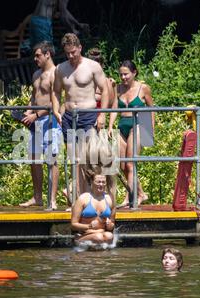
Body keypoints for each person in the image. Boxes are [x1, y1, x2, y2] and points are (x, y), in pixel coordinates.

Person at [52, 33, 109, 198]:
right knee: (73, 159)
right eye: (67, 53)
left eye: (73, 52)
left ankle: (86, 197)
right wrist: (56, 110)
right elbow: (56, 91)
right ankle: (78, 198)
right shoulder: (61, 68)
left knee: (85, 159)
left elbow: (105, 90)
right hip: (69, 116)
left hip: (88, 115)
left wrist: (102, 115)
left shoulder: (92, 66)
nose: (71, 56)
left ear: (80, 48)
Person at [19, 41, 62, 210]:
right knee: (34, 159)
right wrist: (27, 113)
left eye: (38, 55)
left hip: (50, 120)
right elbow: (33, 97)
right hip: (35, 120)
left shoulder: (55, 73)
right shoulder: (36, 74)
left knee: (52, 160)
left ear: (47, 54)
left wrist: (36, 115)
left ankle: (52, 199)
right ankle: (37, 197)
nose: (35, 58)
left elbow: (55, 102)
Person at [108, 60, 154, 208]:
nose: (123, 77)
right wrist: (110, 126)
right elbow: (115, 107)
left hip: (138, 124)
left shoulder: (143, 88)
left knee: (130, 163)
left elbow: (151, 108)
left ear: (134, 73)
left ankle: (130, 197)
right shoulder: (118, 88)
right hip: (122, 125)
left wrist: (150, 129)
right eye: (121, 74)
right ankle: (141, 193)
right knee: (122, 165)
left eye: (126, 74)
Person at [71, 168, 115, 245]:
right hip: (85, 235)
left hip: (102, 234)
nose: (101, 184)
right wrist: (89, 226)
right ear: (92, 182)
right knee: (98, 237)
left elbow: (112, 225)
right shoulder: (83, 198)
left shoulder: (110, 199)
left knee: (109, 236)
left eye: (103, 182)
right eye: (98, 182)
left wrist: (110, 225)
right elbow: (73, 225)